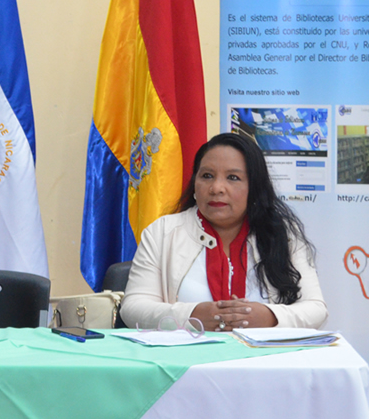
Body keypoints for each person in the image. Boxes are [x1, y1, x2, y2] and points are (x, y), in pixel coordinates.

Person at [119, 132, 327, 332]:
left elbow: (316, 310)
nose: (217, 188)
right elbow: (133, 308)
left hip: (264, 362)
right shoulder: (162, 232)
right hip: (183, 363)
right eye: (207, 176)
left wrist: (269, 317)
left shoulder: (284, 235)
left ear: (254, 188)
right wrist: (191, 315)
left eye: (233, 178)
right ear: (194, 184)